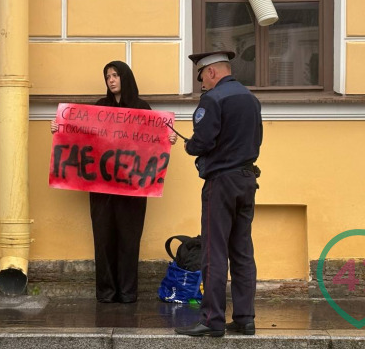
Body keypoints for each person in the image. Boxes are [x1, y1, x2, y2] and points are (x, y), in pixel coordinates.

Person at [51, 61, 177, 303]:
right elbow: (80, 134)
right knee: (103, 238)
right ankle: (106, 292)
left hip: (133, 189)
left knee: (129, 240)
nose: (111, 80)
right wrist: (60, 127)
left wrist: (168, 138)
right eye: (107, 76)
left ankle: (128, 292)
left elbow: (155, 141)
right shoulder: (100, 107)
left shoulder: (142, 108)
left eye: (115, 75)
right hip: (102, 189)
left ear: (125, 77)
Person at [174, 51, 262, 337]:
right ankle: (245, 318)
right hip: (247, 180)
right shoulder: (250, 98)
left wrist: (189, 147)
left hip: (221, 183)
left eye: (202, 78)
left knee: (214, 251)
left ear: (211, 72)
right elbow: (256, 138)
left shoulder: (213, 99)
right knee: (242, 251)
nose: (202, 84)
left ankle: (212, 320)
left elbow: (202, 141)